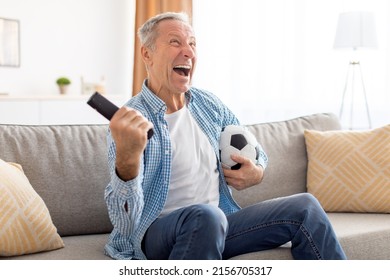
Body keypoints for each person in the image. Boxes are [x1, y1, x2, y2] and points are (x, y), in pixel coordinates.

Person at [104, 12, 347, 260]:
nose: (188, 52)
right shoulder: (130, 121)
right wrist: (127, 158)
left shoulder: (208, 104)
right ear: (147, 54)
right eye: (175, 42)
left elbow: (254, 149)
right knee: (207, 216)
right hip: (156, 233)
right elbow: (125, 220)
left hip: (218, 223)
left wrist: (257, 170)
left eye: (192, 43)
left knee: (305, 207)